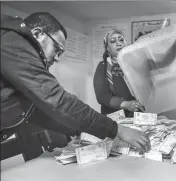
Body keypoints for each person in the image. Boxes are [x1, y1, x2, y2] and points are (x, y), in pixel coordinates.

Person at [1, 13, 150, 152]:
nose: (57, 58)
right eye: (57, 49)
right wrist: (118, 130)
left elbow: (38, 111)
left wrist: (78, 129)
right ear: (37, 34)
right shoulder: (12, 42)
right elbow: (58, 101)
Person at [93, 29, 145, 117]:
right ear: (107, 48)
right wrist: (125, 104)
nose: (118, 43)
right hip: (114, 119)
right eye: (113, 41)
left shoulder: (136, 63)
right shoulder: (103, 67)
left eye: (121, 40)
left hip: (139, 116)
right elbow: (102, 96)